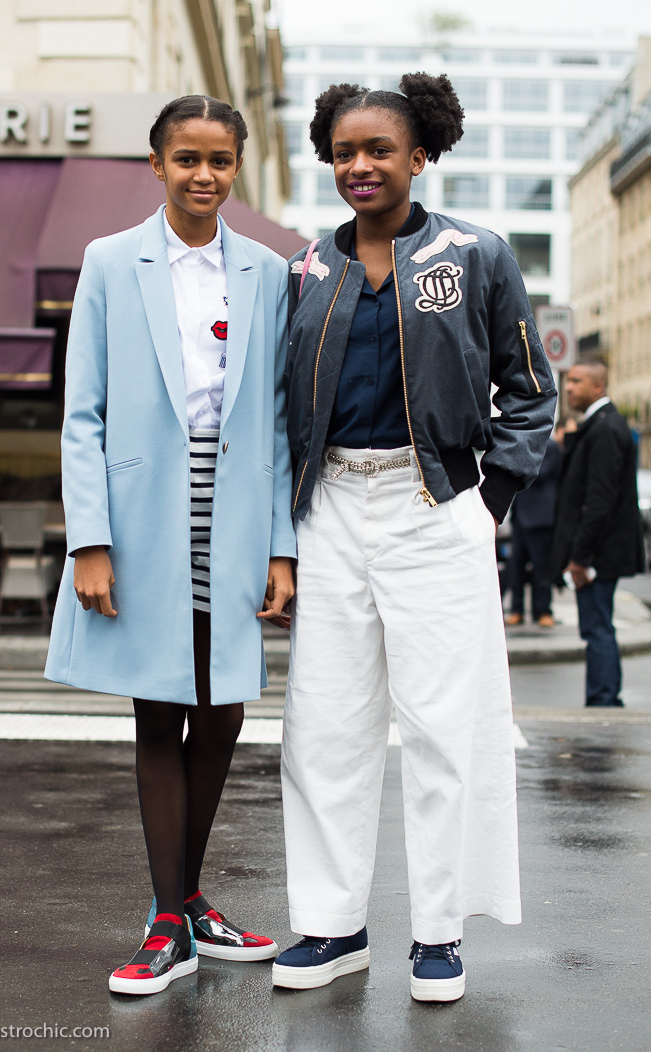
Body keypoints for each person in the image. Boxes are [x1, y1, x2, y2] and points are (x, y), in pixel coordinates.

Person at [273, 74, 557, 1003]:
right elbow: (282, 406)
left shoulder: (476, 254)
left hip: (435, 505)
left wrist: (491, 498)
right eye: (345, 151)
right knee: (324, 726)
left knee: (443, 728)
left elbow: (530, 388)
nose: (360, 165)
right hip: (332, 510)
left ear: (418, 155)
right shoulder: (309, 268)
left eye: (379, 150)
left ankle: (437, 935)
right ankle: (332, 925)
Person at [44, 95, 297, 995]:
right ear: (156, 165)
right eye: (185, 159)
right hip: (143, 508)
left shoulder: (270, 271)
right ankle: (168, 919)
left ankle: (185, 902)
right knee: (159, 704)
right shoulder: (111, 260)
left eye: (219, 161)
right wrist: (91, 541)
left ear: (237, 167)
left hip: (233, 507)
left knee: (223, 703)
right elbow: (83, 411)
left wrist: (280, 548)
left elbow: (274, 416)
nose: (203, 175)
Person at [548, 361, 645, 707]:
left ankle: (603, 699)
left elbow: (599, 500)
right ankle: (603, 696)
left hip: (598, 554)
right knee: (598, 626)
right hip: (601, 551)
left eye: (577, 381)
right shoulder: (601, 425)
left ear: (598, 387)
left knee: (597, 628)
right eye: (569, 381)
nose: (569, 387)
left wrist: (580, 557)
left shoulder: (604, 429)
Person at [504, 437, 561, 628]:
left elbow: (540, 474)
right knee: (516, 566)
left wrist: (518, 465)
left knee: (541, 568)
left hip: (540, 518)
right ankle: (517, 610)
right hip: (520, 517)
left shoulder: (551, 447)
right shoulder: (521, 443)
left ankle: (543, 611)